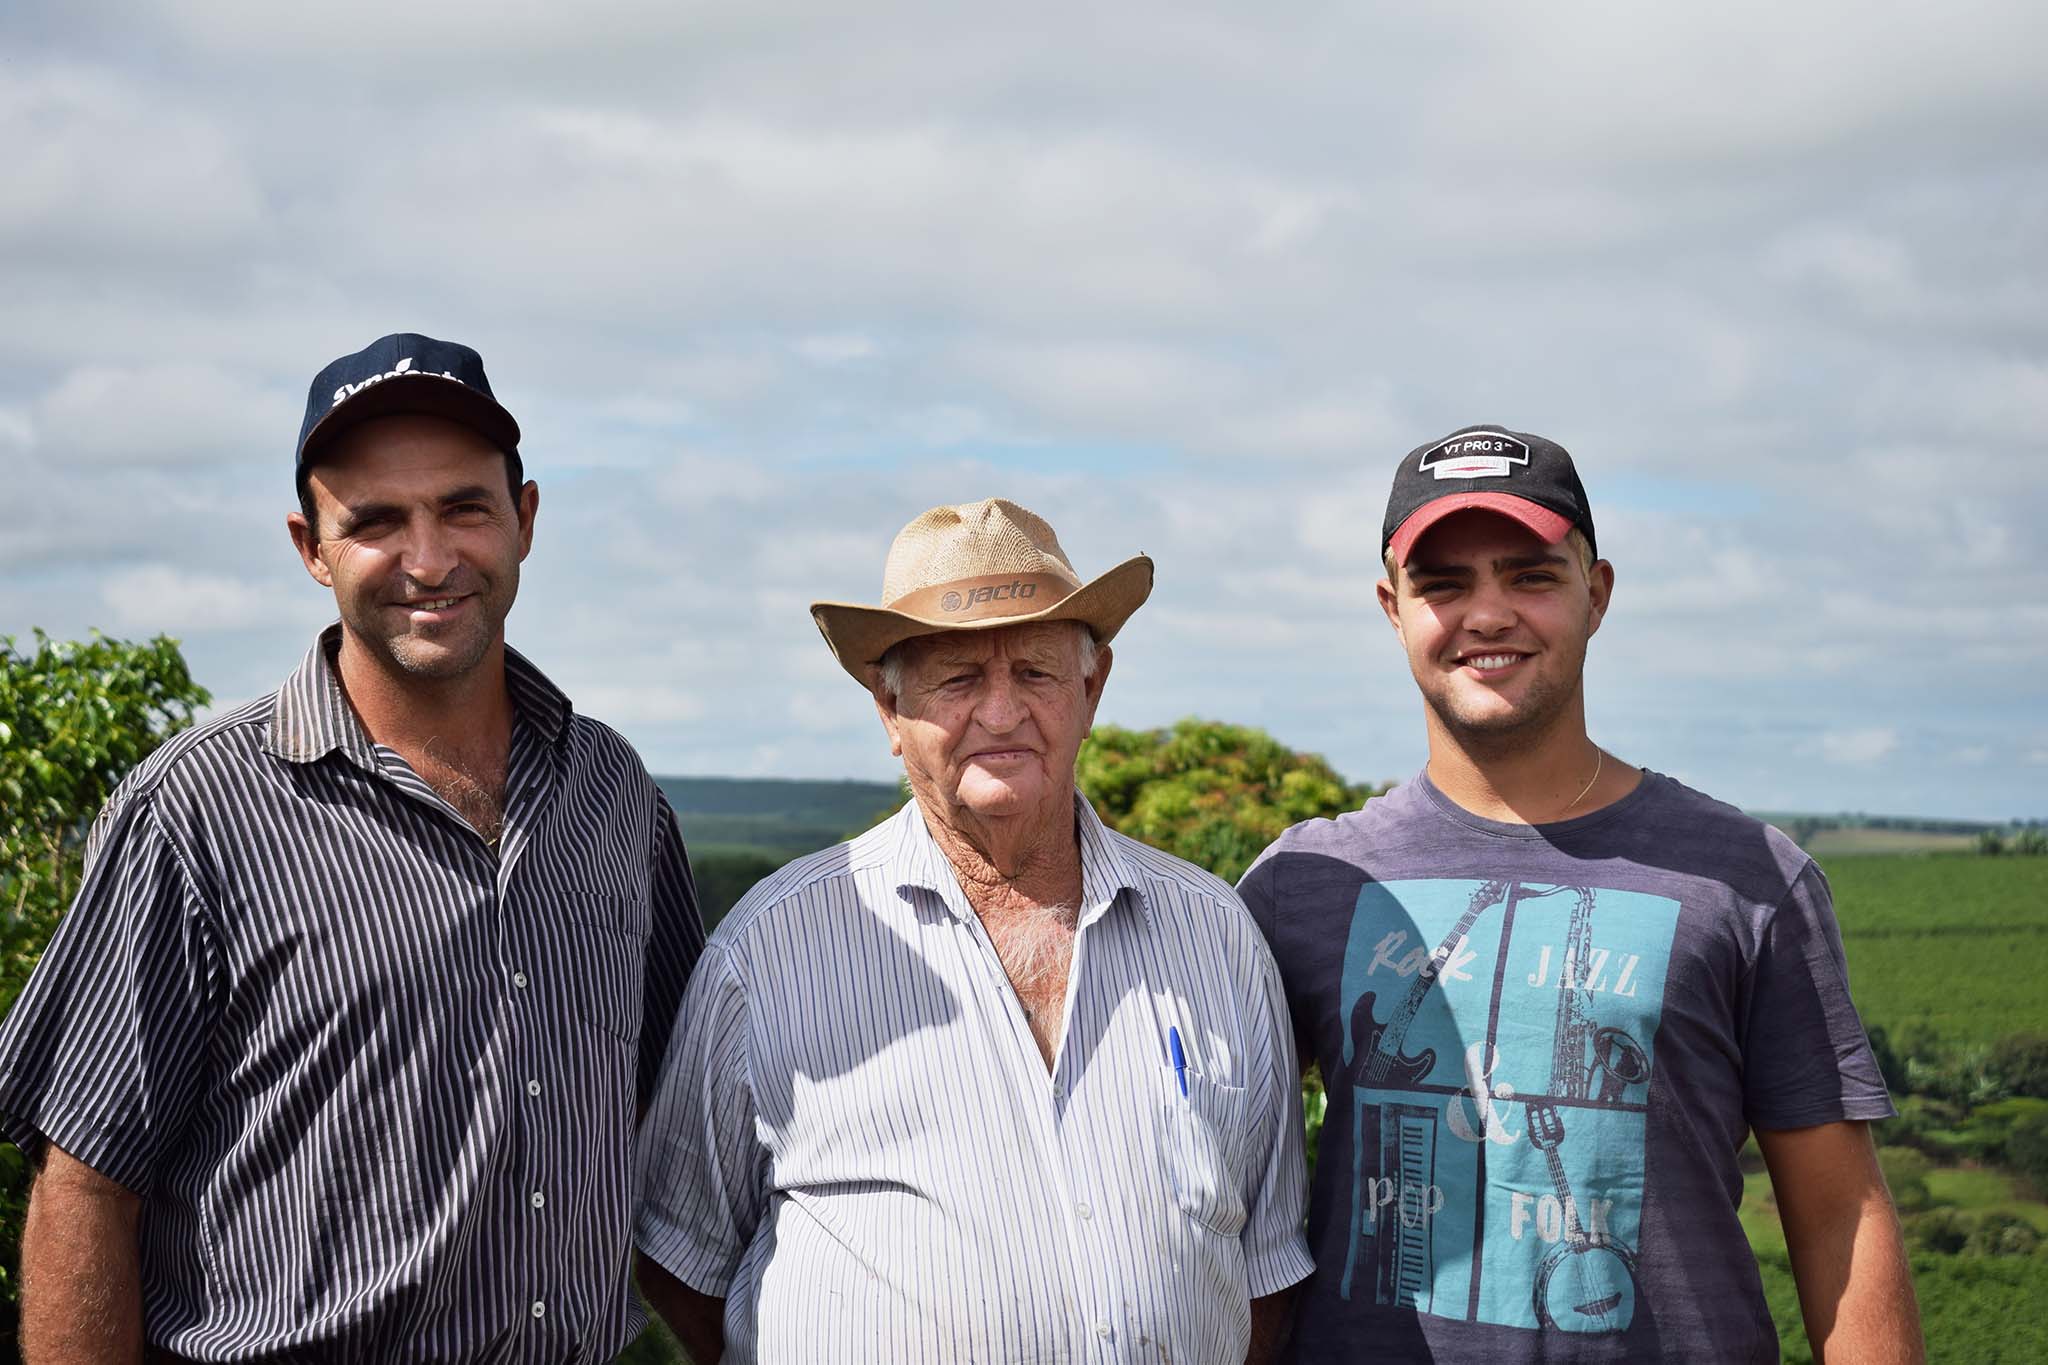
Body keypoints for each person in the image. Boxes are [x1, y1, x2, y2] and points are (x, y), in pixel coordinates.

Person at [0, 332, 706, 1363]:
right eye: (376, 522)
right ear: (311, 548)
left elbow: (665, 1132)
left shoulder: (613, 798)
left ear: (526, 519)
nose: (429, 559)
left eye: (464, 507)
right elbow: (86, 1187)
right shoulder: (195, 813)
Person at [1239, 426, 1922, 1363]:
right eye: (1444, 584)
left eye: (1531, 576)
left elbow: (1840, 1212)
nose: (1488, 614)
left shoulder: (1750, 879)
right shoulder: (1299, 885)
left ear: (1596, 594)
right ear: (1391, 607)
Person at [635, 497, 1313, 1363]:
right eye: (957, 679)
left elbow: (1266, 1271)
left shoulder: (1218, 935)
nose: (1001, 712)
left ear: (1091, 688)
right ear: (890, 712)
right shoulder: (768, 951)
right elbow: (683, 1259)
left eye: (1034, 671)